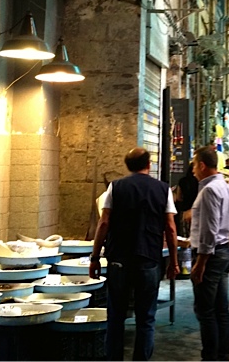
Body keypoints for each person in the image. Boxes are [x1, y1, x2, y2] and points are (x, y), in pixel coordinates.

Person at [89, 148, 179, 361]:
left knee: (116, 317)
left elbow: (104, 222)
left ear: (127, 165)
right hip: (149, 259)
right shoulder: (163, 189)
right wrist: (173, 261)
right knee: (146, 318)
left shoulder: (115, 187)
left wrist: (95, 257)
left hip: (119, 259)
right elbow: (170, 228)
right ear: (149, 164)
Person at [190, 145, 229, 361]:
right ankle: (222, 354)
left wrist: (201, 262)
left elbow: (209, 230)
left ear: (202, 165)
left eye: (194, 165)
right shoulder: (224, 186)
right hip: (224, 250)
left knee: (206, 310)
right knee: (220, 308)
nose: (192, 171)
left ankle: (210, 356)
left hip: (212, 255)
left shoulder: (209, 190)